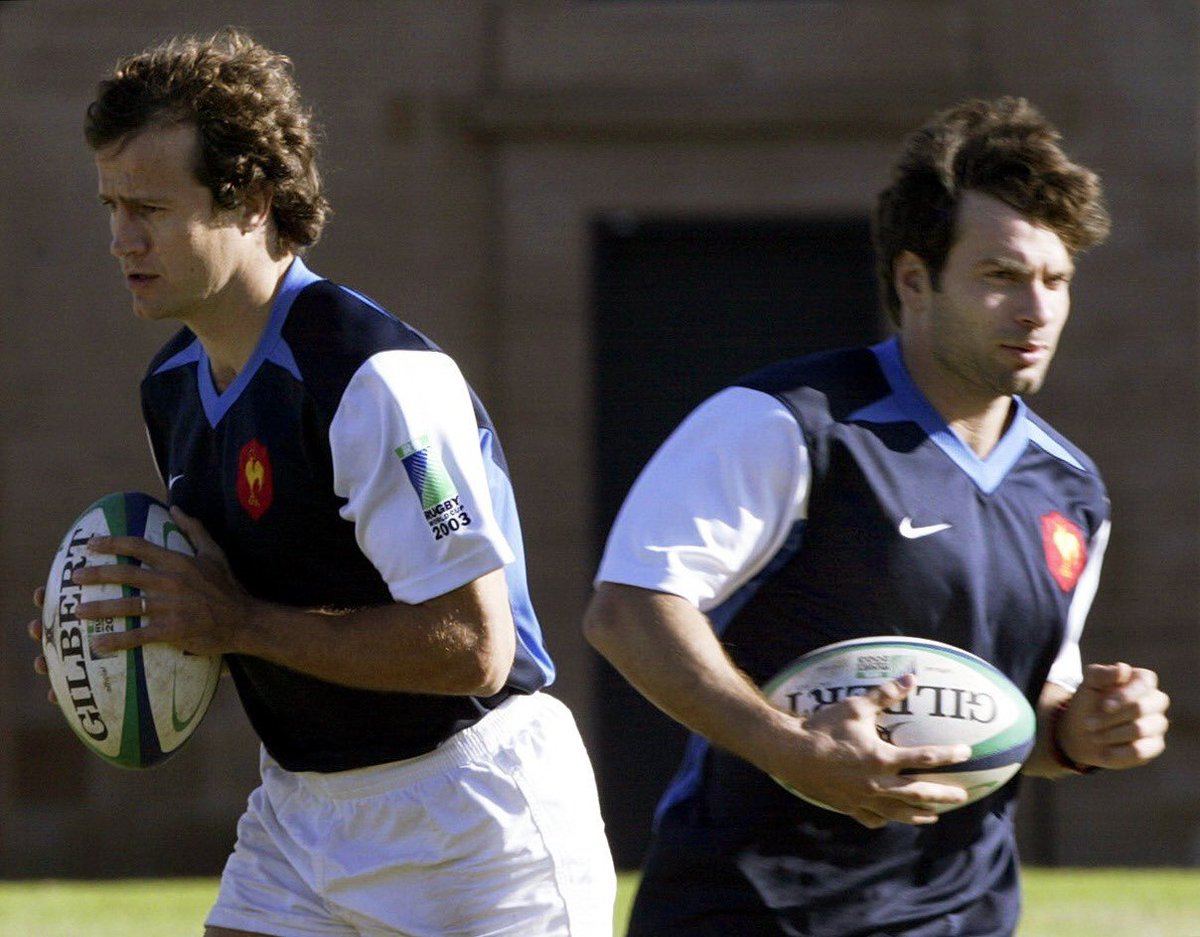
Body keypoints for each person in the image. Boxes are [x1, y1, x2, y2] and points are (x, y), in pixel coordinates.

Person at [28, 27, 615, 937]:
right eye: (110, 204)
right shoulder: (171, 389)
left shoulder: (374, 379)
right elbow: (229, 604)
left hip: (472, 817)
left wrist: (235, 623)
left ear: (252, 199)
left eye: (149, 207)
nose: (119, 239)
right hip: (302, 811)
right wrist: (115, 628)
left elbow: (474, 645)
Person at [583, 96, 1170, 937]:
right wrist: (795, 750)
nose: (1037, 310)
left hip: (960, 916)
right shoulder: (787, 422)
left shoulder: (1070, 488)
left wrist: (1083, 731)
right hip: (749, 912)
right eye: (1000, 276)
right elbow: (629, 609)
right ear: (913, 281)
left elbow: (1005, 713)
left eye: (1056, 278)